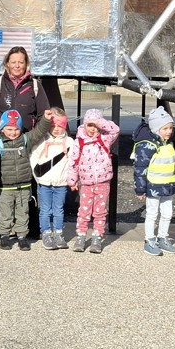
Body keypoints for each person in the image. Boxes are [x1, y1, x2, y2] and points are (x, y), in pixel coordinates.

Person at [0, 108, 52, 250]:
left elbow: (39, 132)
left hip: (24, 185)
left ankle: (21, 236)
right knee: (5, 212)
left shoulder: (25, 139)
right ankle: (4, 236)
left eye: (16, 129)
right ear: (2, 128)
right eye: (9, 129)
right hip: (5, 186)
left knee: (23, 212)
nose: (13, 132)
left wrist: (46, 119)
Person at [66, 108, 119, 254]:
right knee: (84, 211)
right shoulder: (79, 141)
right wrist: (72, 180)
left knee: (100, 212)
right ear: (84, 125)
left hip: (103, 181)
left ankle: (97, 236)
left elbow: (115, 129)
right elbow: (73, 162)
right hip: (86, 182)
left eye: (96, 126)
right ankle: (81, 236)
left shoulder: (104, 138)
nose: (93, 129)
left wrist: (100, 122)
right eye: (90, 125)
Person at [133, 107, 175, 257]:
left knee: (167, 213)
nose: (169, 131)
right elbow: (140, 169)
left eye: (170, 128)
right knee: (152, 214)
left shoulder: (167, 144)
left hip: (167, 185)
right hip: (153, 185)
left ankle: (162, 237)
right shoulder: (146, 146)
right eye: (165, 128)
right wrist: (140, 189)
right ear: (156, 128)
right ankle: (149, 240)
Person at [30, 106, 73, 251]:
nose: (56, 129)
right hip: (44, 183)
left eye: (60, 126)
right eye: (53, 126)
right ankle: (46, 233)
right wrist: (38, 177)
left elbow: (73, 162)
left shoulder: (70, 142)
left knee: (58, 209)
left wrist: (70, 179)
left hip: (61, 183)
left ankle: (58, 233)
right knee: (45, 209)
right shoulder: (41, 141)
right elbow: (33, 158)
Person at [0, 47, 51, 132]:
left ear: (26, 64)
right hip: (1, 137)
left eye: (21, 62)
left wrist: (34, 135)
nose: (17, 66)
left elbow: (43, 114)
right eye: (13, 62)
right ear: (7, 64)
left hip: (27, 136)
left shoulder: (35, 85)